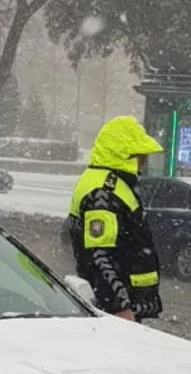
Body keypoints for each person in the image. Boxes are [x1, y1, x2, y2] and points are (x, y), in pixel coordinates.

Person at [68, 117, 164, 321]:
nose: (144, 162)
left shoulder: (112, 184)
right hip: (117, 311)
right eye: (141, 156)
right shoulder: (104, 193)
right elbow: (100, 256)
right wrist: (119, 307)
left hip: (127, 305)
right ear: (125, 155)